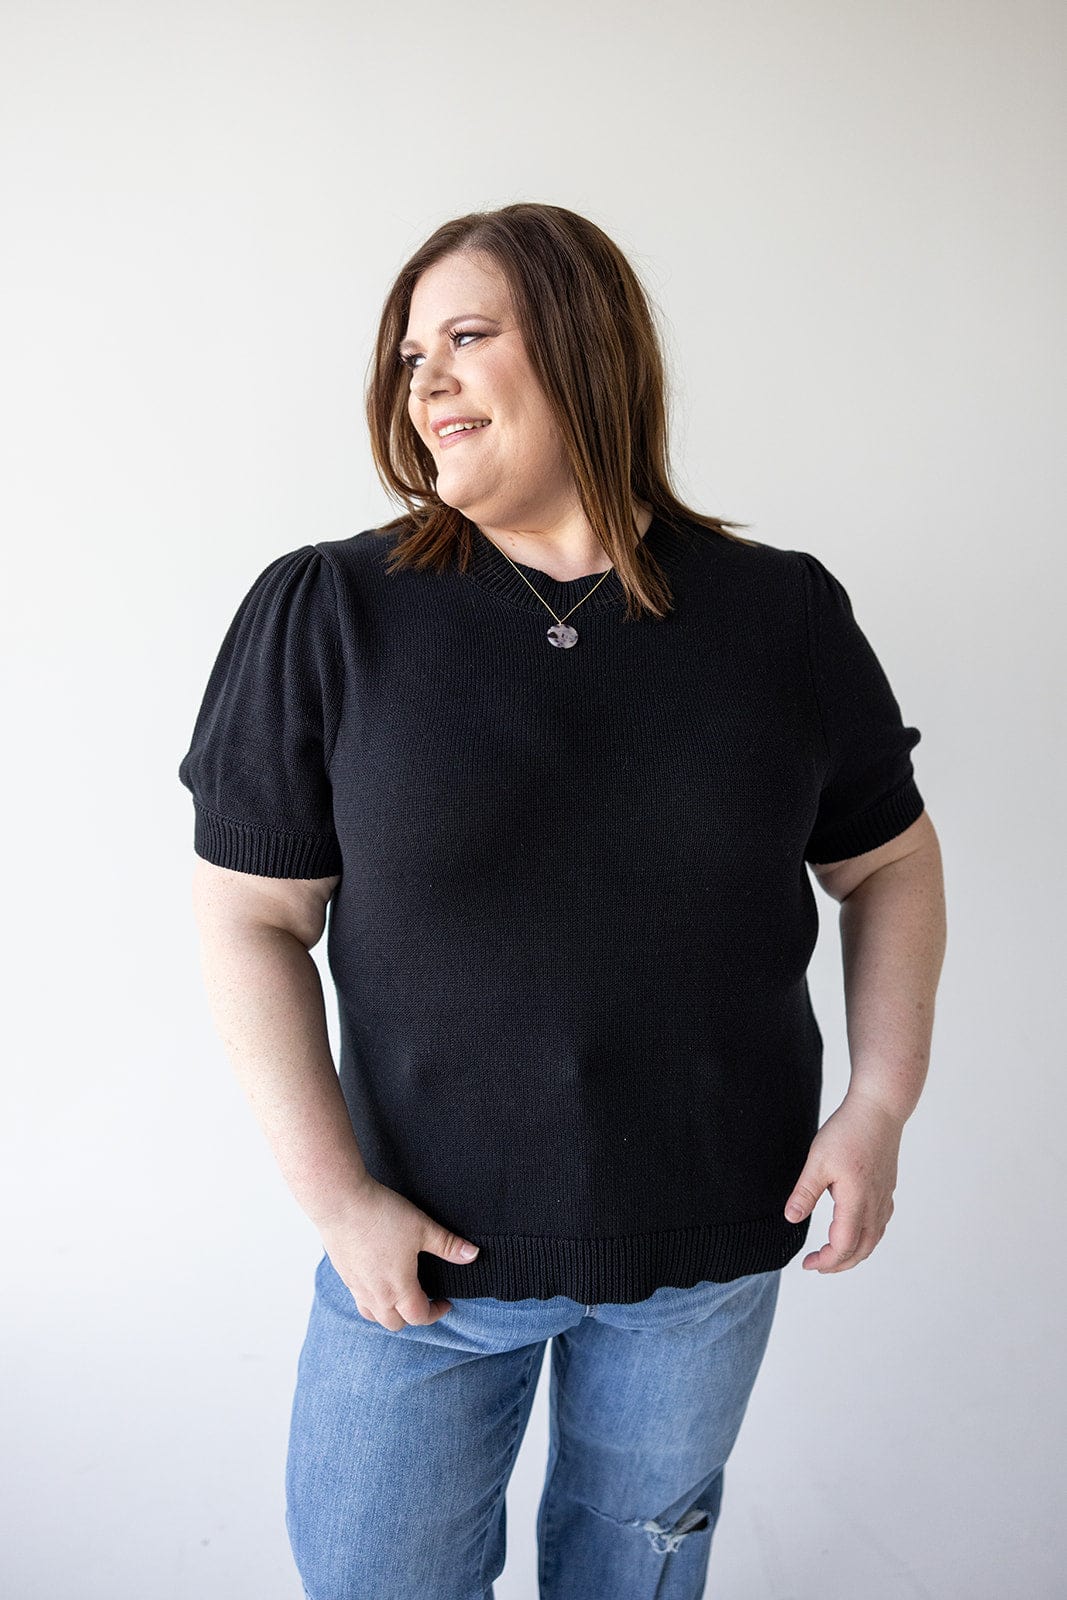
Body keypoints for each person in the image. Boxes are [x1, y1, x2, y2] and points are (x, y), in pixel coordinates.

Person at [178, 202, 947, 1600]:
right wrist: (337, 1198)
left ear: (589, 349)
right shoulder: (330, 613)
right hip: (420, 1272)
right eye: (410, 356)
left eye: (468, 336)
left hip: (710, 1250)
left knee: (635, 1576)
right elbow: (250, 920)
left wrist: (880, 1103)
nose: (427, 385)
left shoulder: (781, 615)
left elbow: (886, 860)